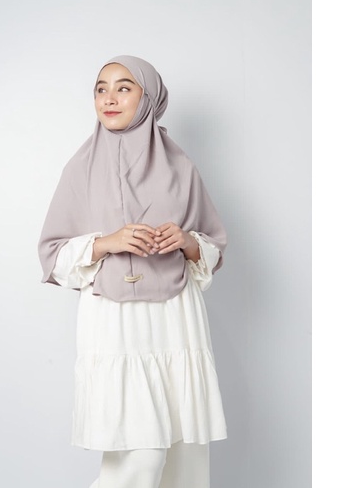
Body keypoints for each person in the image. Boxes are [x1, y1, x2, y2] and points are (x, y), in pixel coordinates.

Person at [38, 55, 228, 488]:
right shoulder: (81, 168)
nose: (109, 98)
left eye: (123, 88)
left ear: (149, 98)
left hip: (176, 319)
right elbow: (52, 255)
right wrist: (109, 241)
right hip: (115, 323)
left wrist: (185, 240)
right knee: (138, 462)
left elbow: (212, 248)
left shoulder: (180, 167)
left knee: (185, 464)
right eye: (100, 89)